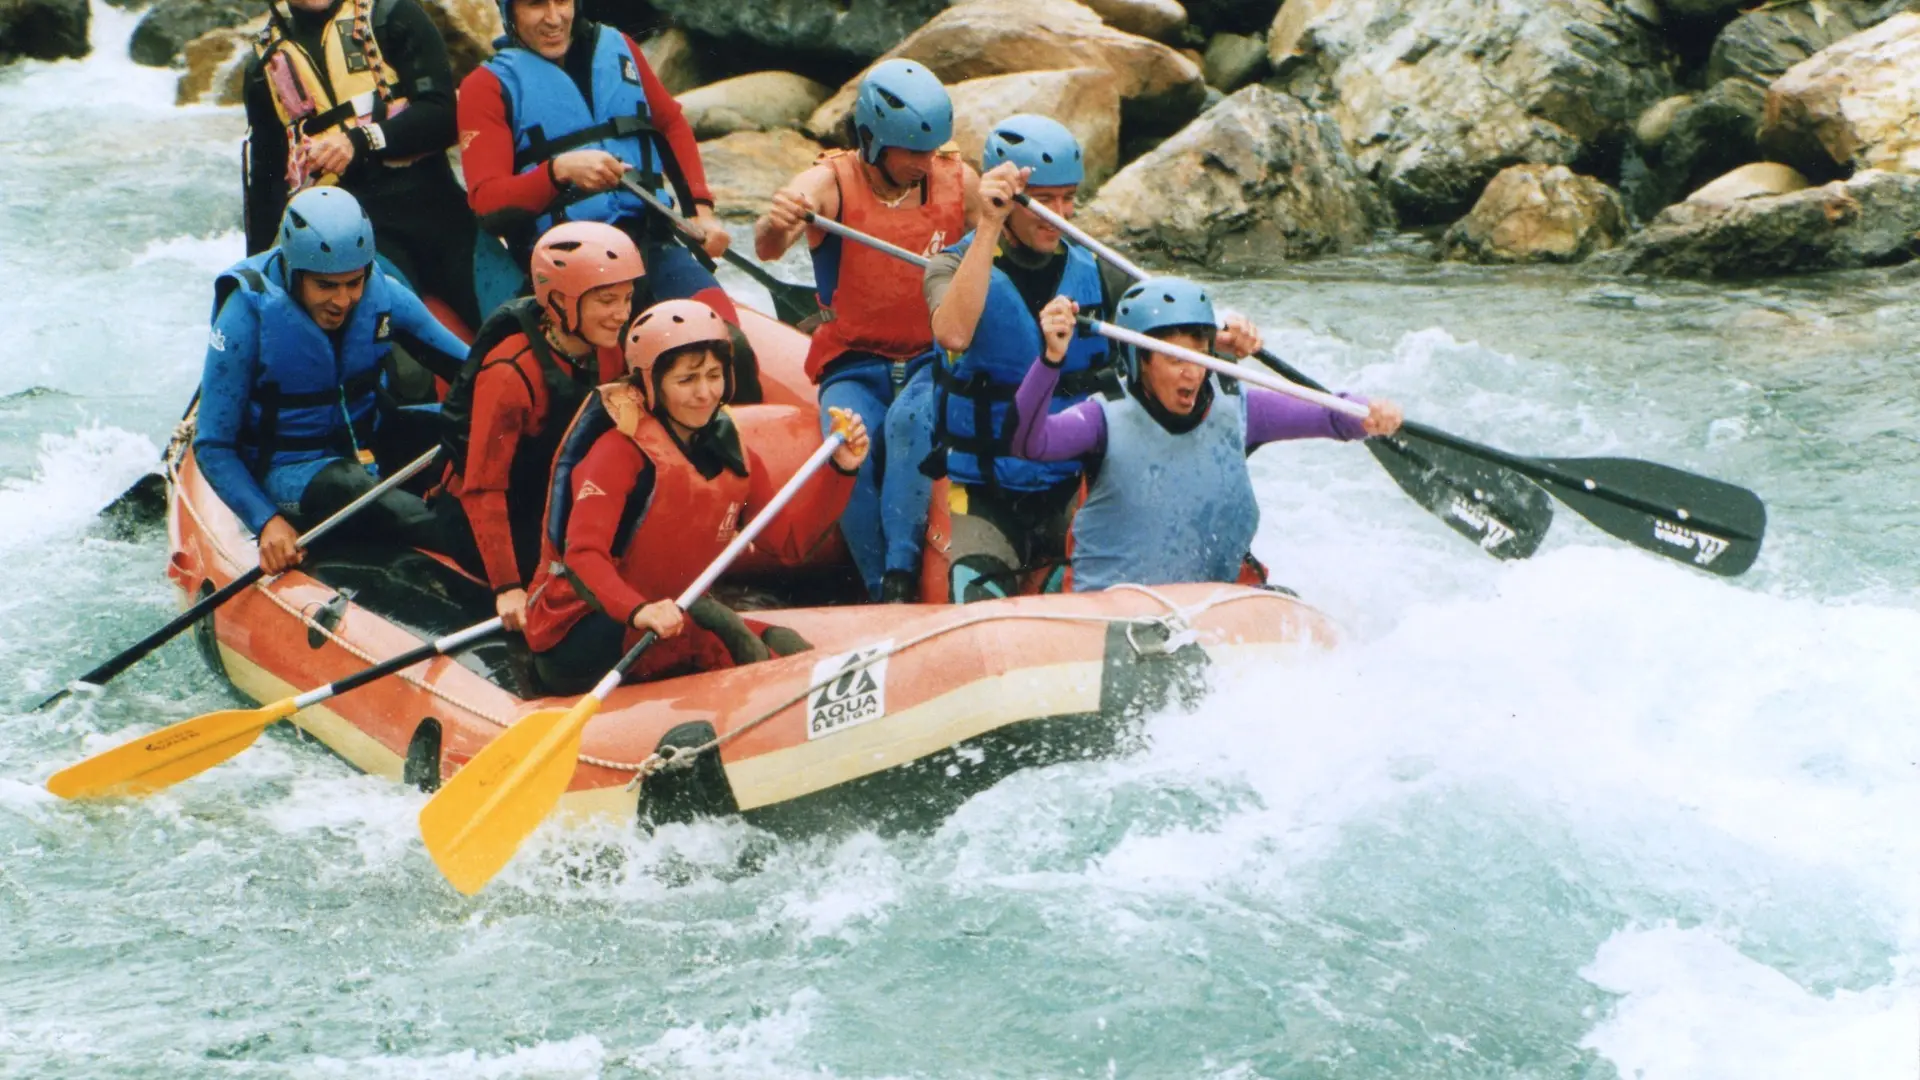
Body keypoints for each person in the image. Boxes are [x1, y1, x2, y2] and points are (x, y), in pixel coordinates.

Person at [523, 299, 870, 693]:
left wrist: (841, 471)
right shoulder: (617, 453)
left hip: (670, 614)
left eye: (714, 375)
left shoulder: (733, 452)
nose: (705, 393)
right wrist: (639, 611)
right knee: (732, 638)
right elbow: (583, 556)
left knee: (782, 645)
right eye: (687, 380)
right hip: (586, 627)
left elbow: (789, 544)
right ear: (652, 383)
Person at [1009, 277, 1403, 591]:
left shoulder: (1239, 407)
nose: (1192, 373)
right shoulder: (1102, 417)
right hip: (1113, 607)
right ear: (1140, 362)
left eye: (1198, 358)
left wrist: (1365, 414)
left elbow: (1329, 416)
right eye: (1174, 359)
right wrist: (1051, 359)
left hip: (1209, 605)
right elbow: (1028, 443)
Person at [456, 0, 760, 401]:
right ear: (509, 11)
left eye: (561, 1)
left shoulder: (620, 48)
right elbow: (487, 202)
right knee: (621, 392)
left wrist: (700, 211)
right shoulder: (485, 87)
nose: (554, 18)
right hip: (570, 271)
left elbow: (669, 123)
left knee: (728, 348)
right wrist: (557, 172)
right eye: (534, 5)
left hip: (649, 244)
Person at [753, 60, 975, 603]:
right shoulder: (828, 184)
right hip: (854, 363)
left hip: (929, 361)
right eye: (912, 153)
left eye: (931, 150)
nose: (926, 163)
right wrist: (779, 220)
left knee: (910, 422)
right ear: (872, 141)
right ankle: (879, 591)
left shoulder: (955, 179)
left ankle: (901, 576)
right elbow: (767, 246)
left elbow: (999, 238)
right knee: (847, 439)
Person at [196, 187, 471, 575]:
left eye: (353, 283)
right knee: (347, 485)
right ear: (294, 272)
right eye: (326, 286)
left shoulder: (384, 295)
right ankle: (474, 547)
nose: (343, 301)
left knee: (464, 423)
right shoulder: (246, 315)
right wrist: (266, 521)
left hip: (368, 443)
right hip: (289, 471)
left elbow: (478, 373)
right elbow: (212, 444)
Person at [921, 114, 1134, 603]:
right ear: (1009, 195)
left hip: (1071, 488)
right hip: (984, 491)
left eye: (1069, 198)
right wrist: (989, 223)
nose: (1058, 213)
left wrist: (1215, 331)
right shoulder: (951, 265)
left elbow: (1168, 345)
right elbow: (953, 333)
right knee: (978, 601)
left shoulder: (1100, 273)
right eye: (1043, 200)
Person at [434, 221, 643, 630]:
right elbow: (484, 489)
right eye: (606, 301)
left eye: (627, 298)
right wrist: (507, 586)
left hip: (551, 500)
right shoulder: (510, 372)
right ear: (561, 301)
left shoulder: (608, 351)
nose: (621, 314)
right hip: (491, 515)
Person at [241, 0, 482, 331]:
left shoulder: (392, 16)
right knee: (403, 367)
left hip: (438, 211)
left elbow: (444, 114)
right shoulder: (264, 64)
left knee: (517, 318)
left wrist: (361, 141)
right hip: (356, 238)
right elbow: (266, 185)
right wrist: (255, 279)